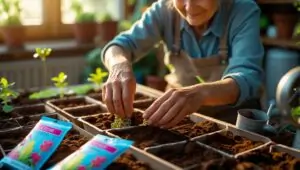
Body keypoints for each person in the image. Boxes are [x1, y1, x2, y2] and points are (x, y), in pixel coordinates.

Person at [100, 0, 264, 128]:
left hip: (232, 121)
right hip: (176, 120)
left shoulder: (243, 11)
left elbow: (247, 77)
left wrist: (201, 94)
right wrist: (118, 66)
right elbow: (119, 46)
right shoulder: (163, 10)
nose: (189, 7)